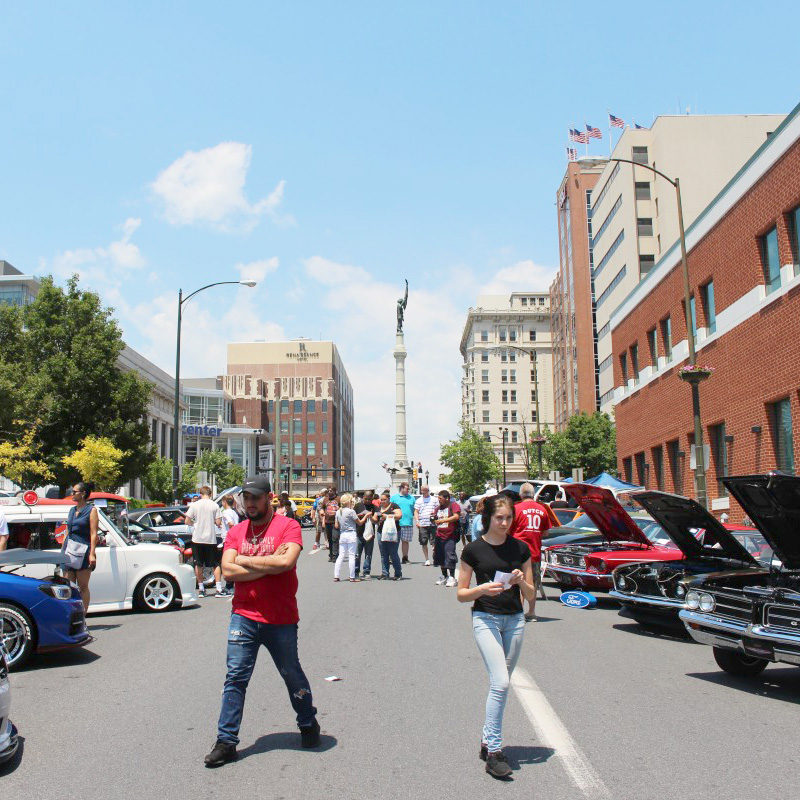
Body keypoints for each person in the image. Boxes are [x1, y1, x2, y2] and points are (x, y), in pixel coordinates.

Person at [204, 474, 319, 768]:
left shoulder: (288, 526)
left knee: (291, 673)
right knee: (235, 678)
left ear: (269, 498)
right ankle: (226, 742)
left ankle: (307, 722)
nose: (251, 503)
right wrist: (267, 566)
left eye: (256, 497)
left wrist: (244, 560)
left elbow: (286, 562)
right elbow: (227, 572)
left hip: (280, 618)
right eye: (247, 497)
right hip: (243, 615)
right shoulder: (237, 531)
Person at [457, 493, 535, 779]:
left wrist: (519, 582)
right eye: (499, 518)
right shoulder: (473, 550)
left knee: (501, 685)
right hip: (485, 618)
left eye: (509, 518)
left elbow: (530, 594)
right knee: (500, 683)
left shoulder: (520, 548)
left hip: (514, 620)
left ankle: (486, 739)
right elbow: (461, 595)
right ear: (487, 518)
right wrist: (482, 588)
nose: (505, 523)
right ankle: (495, 752)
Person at [509, 482, 551, 621]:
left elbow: (509, 530)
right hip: (534, 551)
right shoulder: (542, 509)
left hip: (517, 551)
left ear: (521, 494)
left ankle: (518, 611)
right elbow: (545, 532)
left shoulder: (516, 509)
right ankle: (531, 612)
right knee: (531, 583)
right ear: (533, 494)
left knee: (516, 581)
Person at [62, 482, 98, 612]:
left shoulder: (91, 510)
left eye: (74, 491)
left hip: (84, 551)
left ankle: (82, 617)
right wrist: (63, 548)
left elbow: (94, 533)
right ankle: (70, 617)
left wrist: (92, 553)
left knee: (83, 586)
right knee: (68, 587)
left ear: (83, 494)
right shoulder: (72, 510)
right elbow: (67, 529)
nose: (72, 494)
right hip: (69, 550)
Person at [185, 485, 223, 597]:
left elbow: (187, 520)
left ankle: (201, 589)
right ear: (210, 494)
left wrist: (194, 524)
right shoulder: (215, 505)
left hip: (197, 537)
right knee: (215, 563)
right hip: (210, 538)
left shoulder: (194, 505)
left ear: (200, 494)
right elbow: (218, 522)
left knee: (199, 563)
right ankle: (219, 589)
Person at [433, 489, 461, 587]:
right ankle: (444, 576)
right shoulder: (438, 508)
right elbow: (434, 518)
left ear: (447, 498)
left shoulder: (453, 505)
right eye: (438, 498)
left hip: (450, 535)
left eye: (440, 498)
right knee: (440, 556)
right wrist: (433, 518)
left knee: (450, 555)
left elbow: (456, 517)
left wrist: (443, 520)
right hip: (439, 535)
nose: (439, 500)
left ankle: (452, 577)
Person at [374, 491, 402, 580]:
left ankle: (398, 573)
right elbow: (375, 519)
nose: (382, 501)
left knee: (393, 553)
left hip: (392, 532)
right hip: (381, 532)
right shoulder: (379, 508)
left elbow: (399, 515)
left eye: (384, 500)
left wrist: (388, 516)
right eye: (381, 500)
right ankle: (385, 573)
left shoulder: (394, 506)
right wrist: (371, 517)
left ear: (389, 499)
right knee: (383, 554)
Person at [333, 493, 360, 582]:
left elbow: (336, 526)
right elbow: (359, 523)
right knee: (352, 555)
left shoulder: (338, 511)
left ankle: (336, 575)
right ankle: (352, 576)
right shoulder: (351, 511)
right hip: (351, 533)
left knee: (341, 555)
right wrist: (366, 516)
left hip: (343, 534)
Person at [218, 495, 240, 597]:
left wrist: (232, 533)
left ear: (224, 502)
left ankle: (229, 587)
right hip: (234, 540)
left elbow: (231, 524)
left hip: (228, 540)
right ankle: (231, 586)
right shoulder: (234, 512)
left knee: (227, 564)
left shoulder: (226, 513)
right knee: (232, 563)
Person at [390, 482, 416, 564]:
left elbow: (415, 510)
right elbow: (389, 509)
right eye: (407, 488)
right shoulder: (394, 498)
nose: (408, 490)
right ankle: (392, 558)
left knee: (405, 541)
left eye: (409, 488)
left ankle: (405, 558)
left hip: (408, 522)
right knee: (393, 541)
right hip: (396, 522)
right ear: (402, 488)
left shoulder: (411, 498)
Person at [413, 485, 438, 565]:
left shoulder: (434, 499)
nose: (423, 492)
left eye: (424, 490)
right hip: (423, 524)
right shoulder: (419, 500)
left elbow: (438, 509)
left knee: (434, 541)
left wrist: (435, 515)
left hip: (433, 524)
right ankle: (427, 559)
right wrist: (417, 521)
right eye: (422, 490)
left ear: (428, 491)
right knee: (423, 542)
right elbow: (416, 511)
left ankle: (435, 555)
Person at [354, 490, 376, 579]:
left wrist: (370, 516)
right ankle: (356, 571)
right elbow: (353, 516)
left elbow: (376, 520)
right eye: (365, 499)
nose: (367, 501)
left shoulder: (374, 507)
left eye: (369, 499)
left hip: (370, 534)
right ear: (363, 497)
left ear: (372, 499)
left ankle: (366, 571)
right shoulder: (357, 506)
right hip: (358, 533)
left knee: (368, 554)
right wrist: (360, 515)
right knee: (357, 554)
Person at [322, 488, 340, 563]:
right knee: (329, 539)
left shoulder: (338, 499)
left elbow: (342, 508)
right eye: (328, 491)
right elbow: (322, 509)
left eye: (331, 491)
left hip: (335, 522)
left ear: (334, 491)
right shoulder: (325, 499)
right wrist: (323, 521)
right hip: (327, 522)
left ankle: (335, 555)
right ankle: (331, 554)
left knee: (335, 538)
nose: (329, 492)